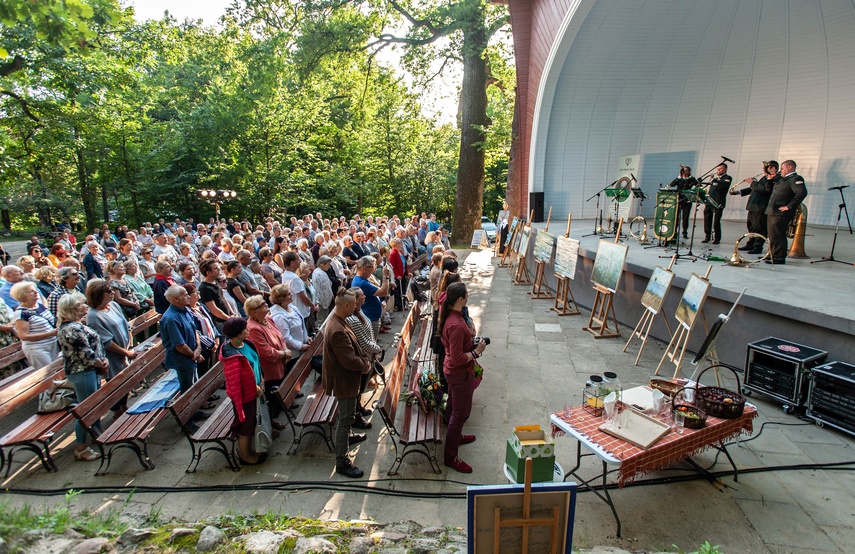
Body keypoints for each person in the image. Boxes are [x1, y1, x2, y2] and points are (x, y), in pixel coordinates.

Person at [323, 289, 373, 478]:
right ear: (346, 306)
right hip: (344, 380)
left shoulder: (338, 320)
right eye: (353, 304)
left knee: (348, 416)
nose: (356, 307)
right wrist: (365, 365)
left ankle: (347, 438)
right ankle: (342, 461)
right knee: (345, 419)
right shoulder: (337, 330)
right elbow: (349, 360)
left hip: (346, 378)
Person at [439, 282, 486, 473]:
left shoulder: (450, 316)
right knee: (460, 414)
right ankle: (451, 457)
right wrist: (477, 352)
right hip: (459, 373)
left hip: (451, 371)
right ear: (460, 299)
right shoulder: (457, 325)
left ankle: (456, 437)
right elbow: (458, 358)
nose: (468, 296)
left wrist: (471, 342)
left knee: (452, 407)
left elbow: (453, 347)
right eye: (466, 294)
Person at [56, 293, 108, 462]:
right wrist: (101, 364)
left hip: (90, 370)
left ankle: (96, 434)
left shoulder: (76, 325)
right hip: (82, 371)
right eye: (82, 304)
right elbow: (85, 353)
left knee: (92, 405)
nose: (86, 306)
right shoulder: (71, 328)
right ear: (73, 309)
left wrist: (102, 360)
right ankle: (80, 448)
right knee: (85, 409)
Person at [219, 317, 267, 466]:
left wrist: (262, 381)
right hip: (245, 397)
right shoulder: (232, 356)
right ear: (237, 333)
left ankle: (252, 448)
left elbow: (256, 363)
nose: (248, 330)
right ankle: (245, 455)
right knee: (246, 425)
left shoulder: (247, 343)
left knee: (252, 422)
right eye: (245, 329)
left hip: (256, 391)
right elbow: (235, 383)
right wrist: (255, 387)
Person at [86, 279, 135, 418]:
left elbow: (125, 324)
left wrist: (129, 344)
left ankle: (125, 405)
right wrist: (125, 352)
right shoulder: (93, 315)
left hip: (125, 350)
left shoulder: (113, 305)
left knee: (125, 381)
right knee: (114, 383)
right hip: (112, 355)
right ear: (99, 294)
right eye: (108, 291)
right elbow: (105, 341)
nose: (113, 292)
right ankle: (117, 411)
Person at [245, 295, 290, 429]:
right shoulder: (253, 328)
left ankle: (275, 417)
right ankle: (269, 424)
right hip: (268, 369)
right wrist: (283, 354)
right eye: (263, 305)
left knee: (277, 393)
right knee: (269, 397)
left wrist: (285, 350)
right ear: (254, 311)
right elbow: (265, 352)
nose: (267, 305)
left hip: (279, 363)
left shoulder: (267, 319)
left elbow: (280, 337)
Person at [345, 286, 382, 424]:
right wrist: (377, 349)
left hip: (368, 355)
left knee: (361, 386)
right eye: (362, 295)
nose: (364, 296)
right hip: (362, 357)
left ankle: (358, 407)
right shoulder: (352, 319)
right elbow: (363, 341)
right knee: (358, 387)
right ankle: (355, 417)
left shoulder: (360, 311)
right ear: (355, 300)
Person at [160, 285, 204, 394]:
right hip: (182, 360)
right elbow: (179, 345)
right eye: (185, 295)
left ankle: (197, 405)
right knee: (187, 388)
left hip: (192, 356)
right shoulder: (171, 318)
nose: (189, 297)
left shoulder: (185, 310)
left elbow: (194, 330)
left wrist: (198, 348)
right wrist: (194, 355)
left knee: (194, 382)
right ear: (176, 299)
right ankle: (191, 410)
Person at [765, 160, 808, 265]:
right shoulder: (783, 179)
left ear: (789, 167)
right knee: (772, 235)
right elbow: (768, 189)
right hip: (773, 210)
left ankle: (779, 258)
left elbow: (802, 193)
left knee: (778, 235)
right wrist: (769, 179)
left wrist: (789, 206)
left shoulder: (795, 179)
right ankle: (773, 255)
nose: (780, 170)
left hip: (781, 213)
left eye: (782, 168)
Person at [731, 161, 778, 254]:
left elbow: (765, 189)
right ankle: (750, 243)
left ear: (774, 168)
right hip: (753, 205)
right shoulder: (765, 178)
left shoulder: (774, 179)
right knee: (751, 226)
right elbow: (755, 188)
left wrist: (752, 182)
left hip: (761, 206)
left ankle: (758, 246)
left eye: (768, 168)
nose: (764, 170)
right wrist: (739, 192)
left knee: (760, 227)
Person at [11, 281, 58, 369]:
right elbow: (23, 336)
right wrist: (50, 333)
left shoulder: (40, 306)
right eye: (31, 291)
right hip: (38, 348)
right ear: (22, 295)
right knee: (49, 372)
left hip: (53, 344)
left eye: (35, 290)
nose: (36, 292)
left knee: (57, 372)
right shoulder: (21, 313)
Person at [183, 283, 218, 376]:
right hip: (202, 347)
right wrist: (211, 344)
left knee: (212, 369)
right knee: (204, 373)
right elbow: (195, 331)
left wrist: (217, 337)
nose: (198, 292)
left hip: (212, 343)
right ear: (188, 296)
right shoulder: (187, 312)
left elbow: (211, 322)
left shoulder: (200, 306)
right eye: (195, 292)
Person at [352, 256, 390, 339]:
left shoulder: (362, 279)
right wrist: (386, 276)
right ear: (365, 269)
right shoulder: (362, 283)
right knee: (371, 343)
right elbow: (383, 292)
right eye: (373, 266)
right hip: (370, 318)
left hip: (372, 316)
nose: (375, 269)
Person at [702, 163, 731, 245]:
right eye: (718, 169)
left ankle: (717, 238)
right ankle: (707, 236)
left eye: (720, 169)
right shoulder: (716, 179)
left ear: (725, 169)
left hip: (719, 202)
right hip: (710, 201)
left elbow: (721, 186)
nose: (718, 171)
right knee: (707, 219)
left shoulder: (727, 178)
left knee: (716, 221)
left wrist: (713, 180)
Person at [668, 165, 698, 239]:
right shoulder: (679, 179)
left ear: (689, 171)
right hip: (679, 200)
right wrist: (678, 177)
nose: (684, 172)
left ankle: (685, 232)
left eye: (686, 170)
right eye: (683, 170)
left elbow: (697, 185)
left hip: (687, 200)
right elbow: (671, 185)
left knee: (685, 217)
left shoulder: (691, 179)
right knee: (676, 216)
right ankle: (674, 231)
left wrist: (693, 191)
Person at [312, 256, 334, 324]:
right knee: (322, 320)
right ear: (322, 264)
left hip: (326, 301)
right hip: (322, 302)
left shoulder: (322, 272)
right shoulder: (318, 273)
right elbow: (318, 289)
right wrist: (319, 302)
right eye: (328, 264)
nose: (329, 266)